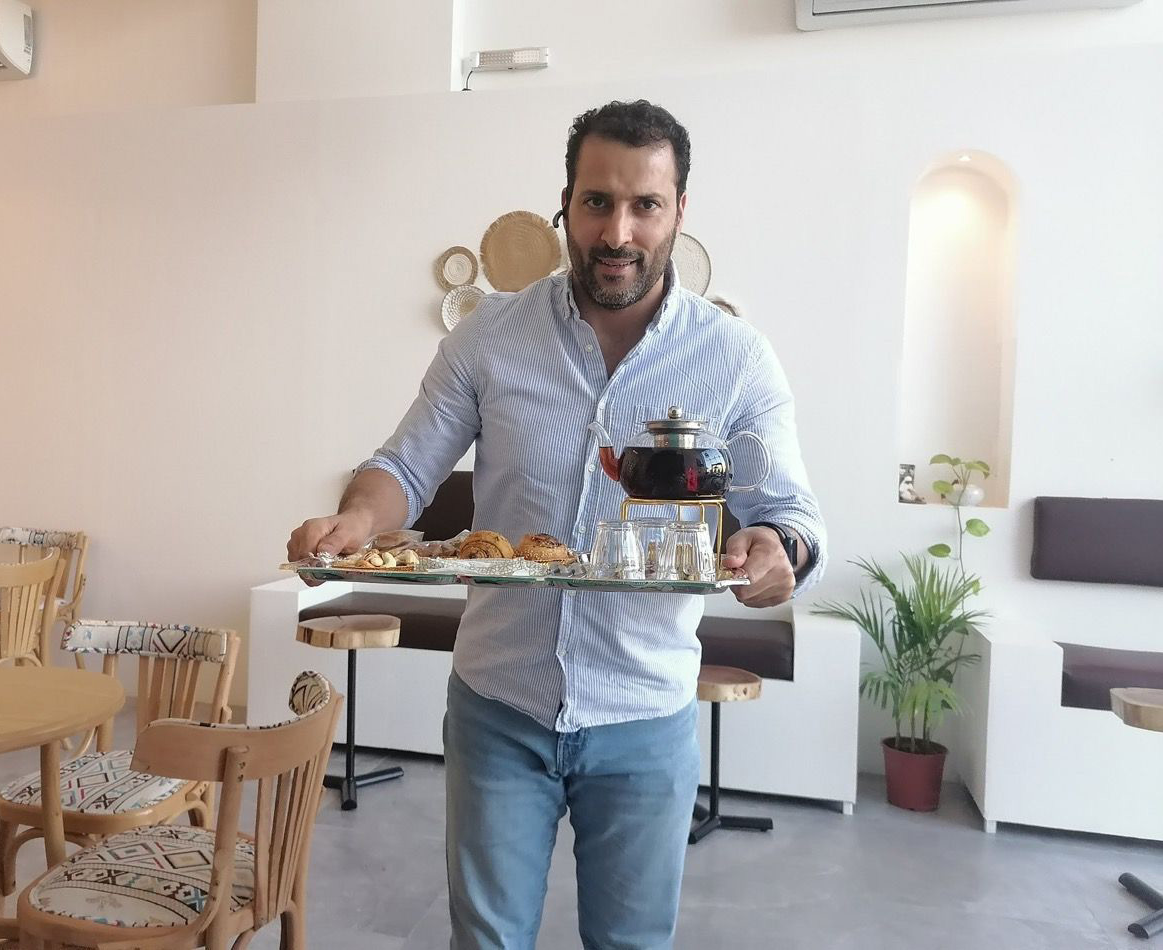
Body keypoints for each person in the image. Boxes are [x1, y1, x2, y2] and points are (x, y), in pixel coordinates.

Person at [287, 99, 827, 950]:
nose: (617, 231)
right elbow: (405, 466)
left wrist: (775, 550)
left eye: (645, 205)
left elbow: (788, 513)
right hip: (498, 704)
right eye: (596, 202)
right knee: (487, 941)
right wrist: (357, 516)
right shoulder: (489, 337)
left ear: (679, 211)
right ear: (565, 204)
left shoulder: (734, 357)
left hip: (645, 713)